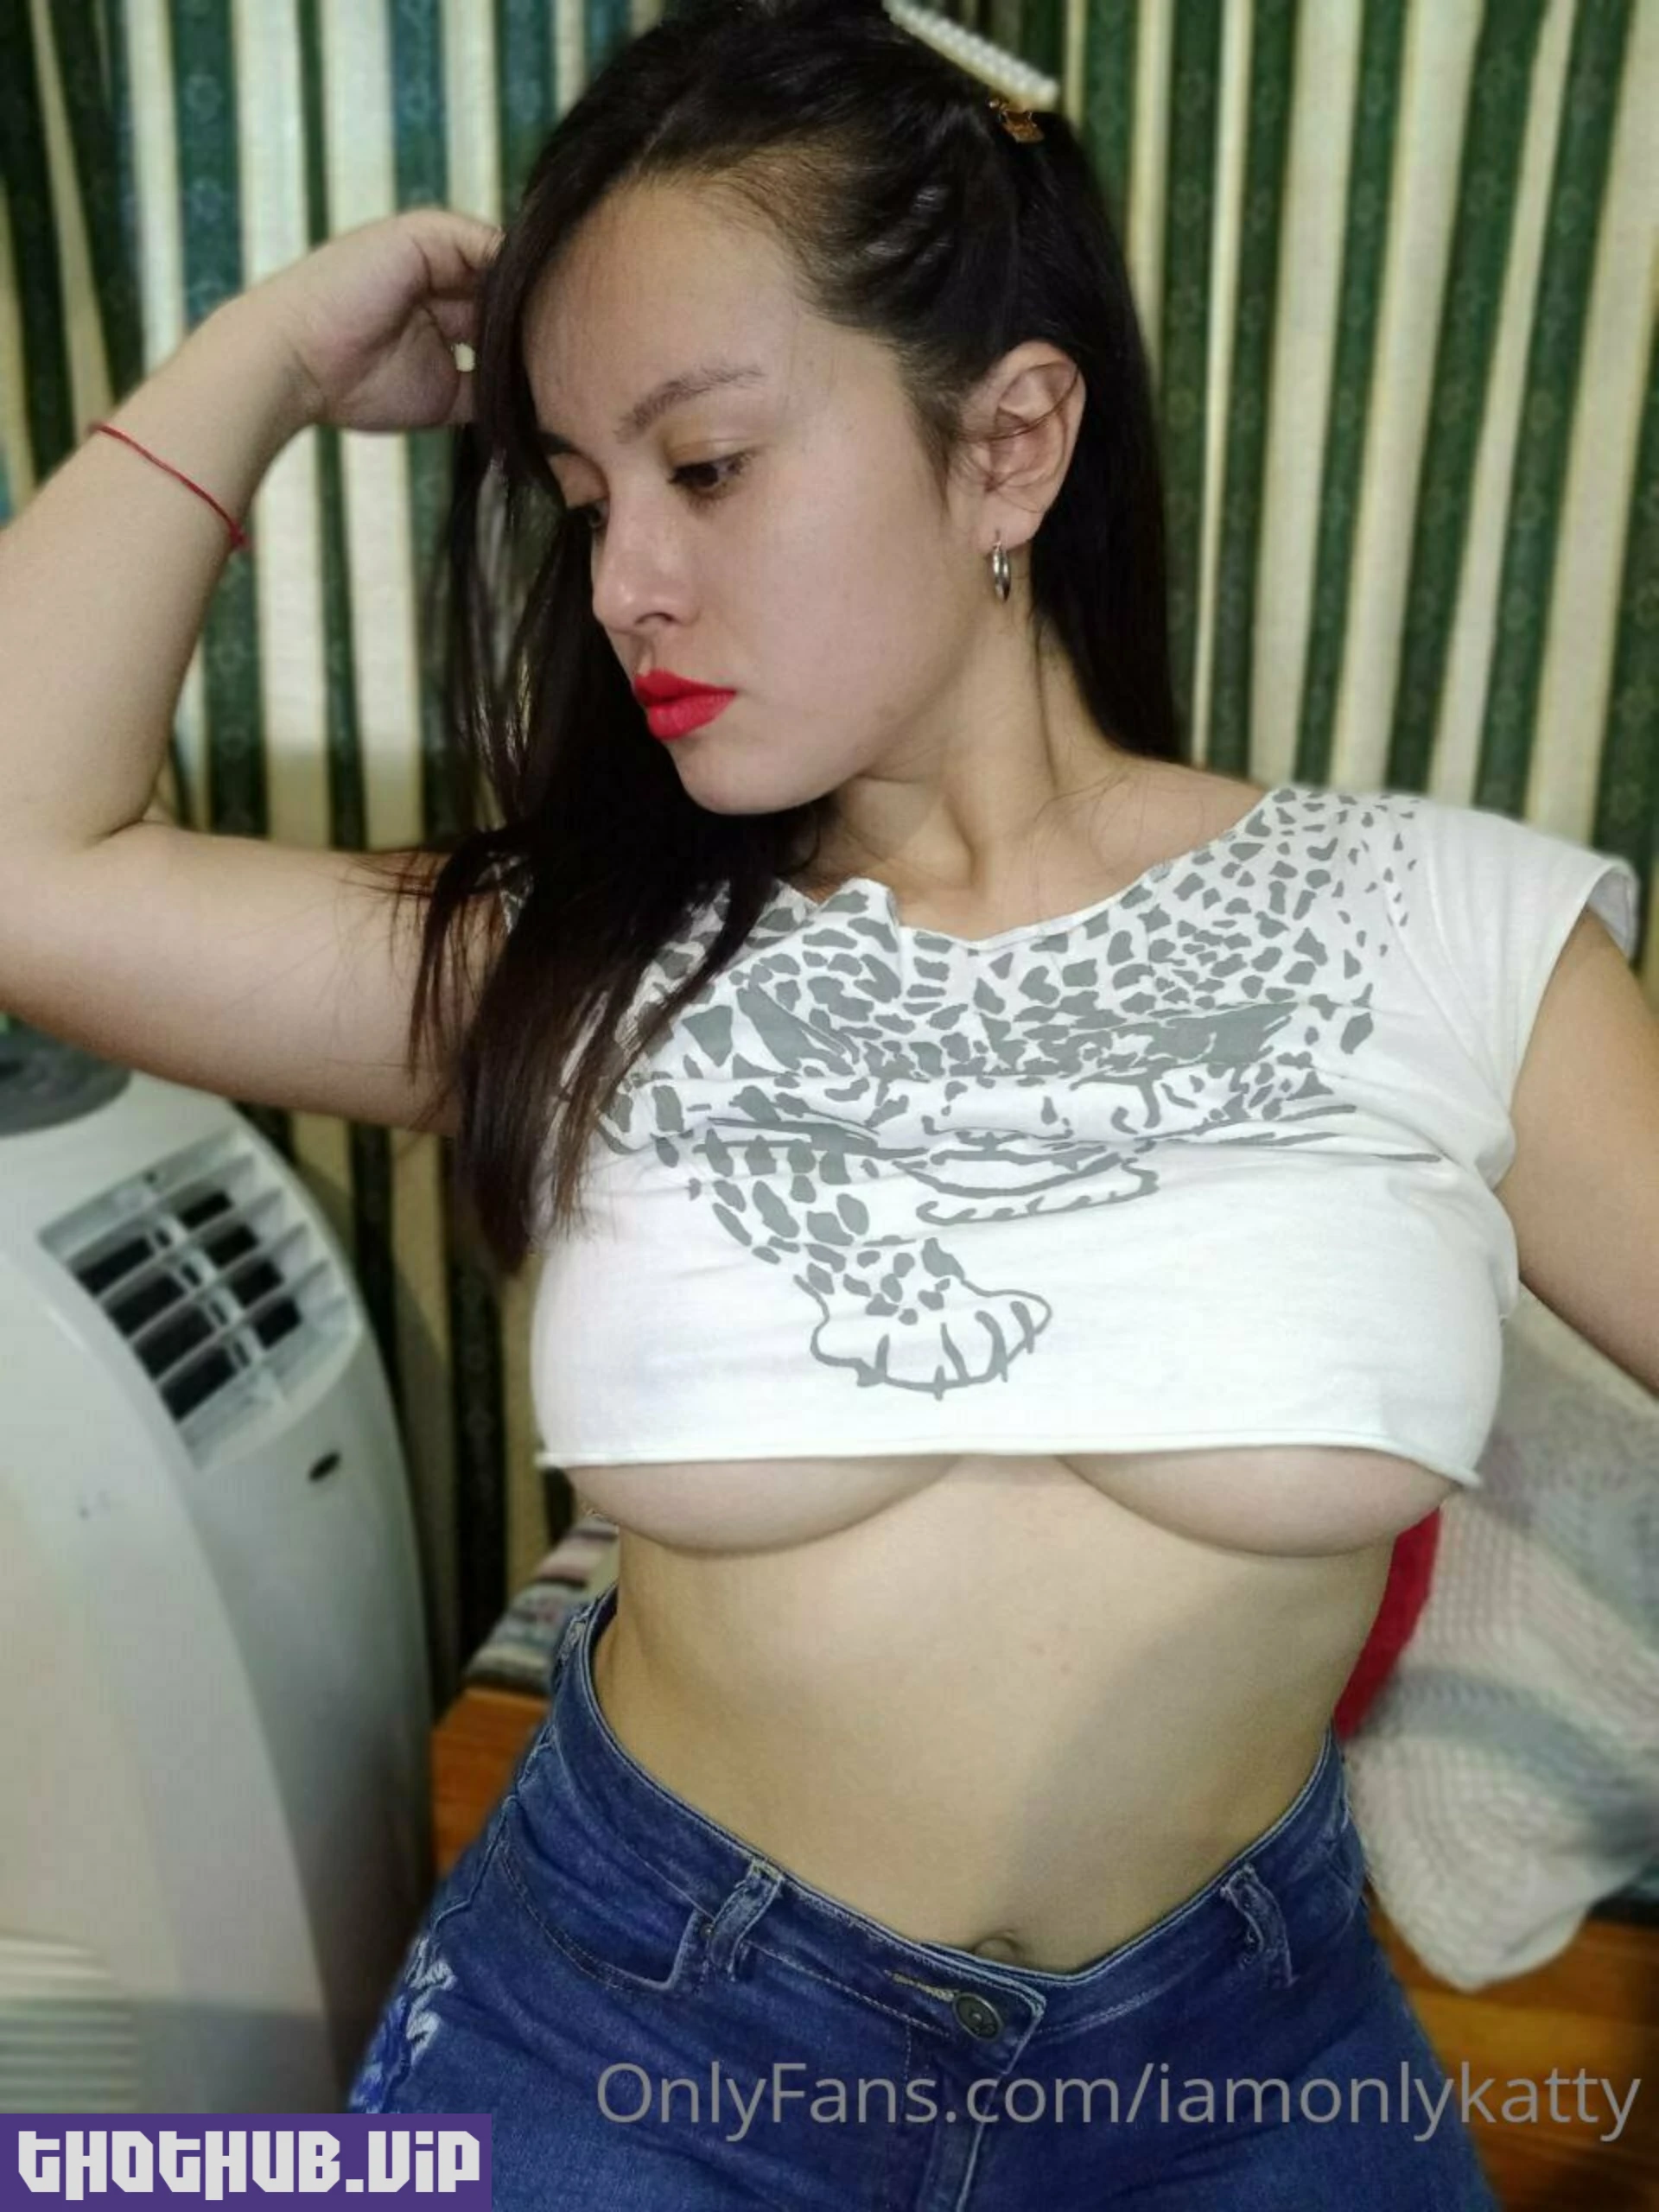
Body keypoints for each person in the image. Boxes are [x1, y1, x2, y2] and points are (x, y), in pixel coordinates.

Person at [2, 0, 1651, 2201]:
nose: (623, 581)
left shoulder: (1457, 932)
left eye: (702, 466)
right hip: (636, 2043)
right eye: (584, 499)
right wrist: (278, 352)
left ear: (1012, 445)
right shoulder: (581, 959)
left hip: (1237, 2080)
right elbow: (24, 867)